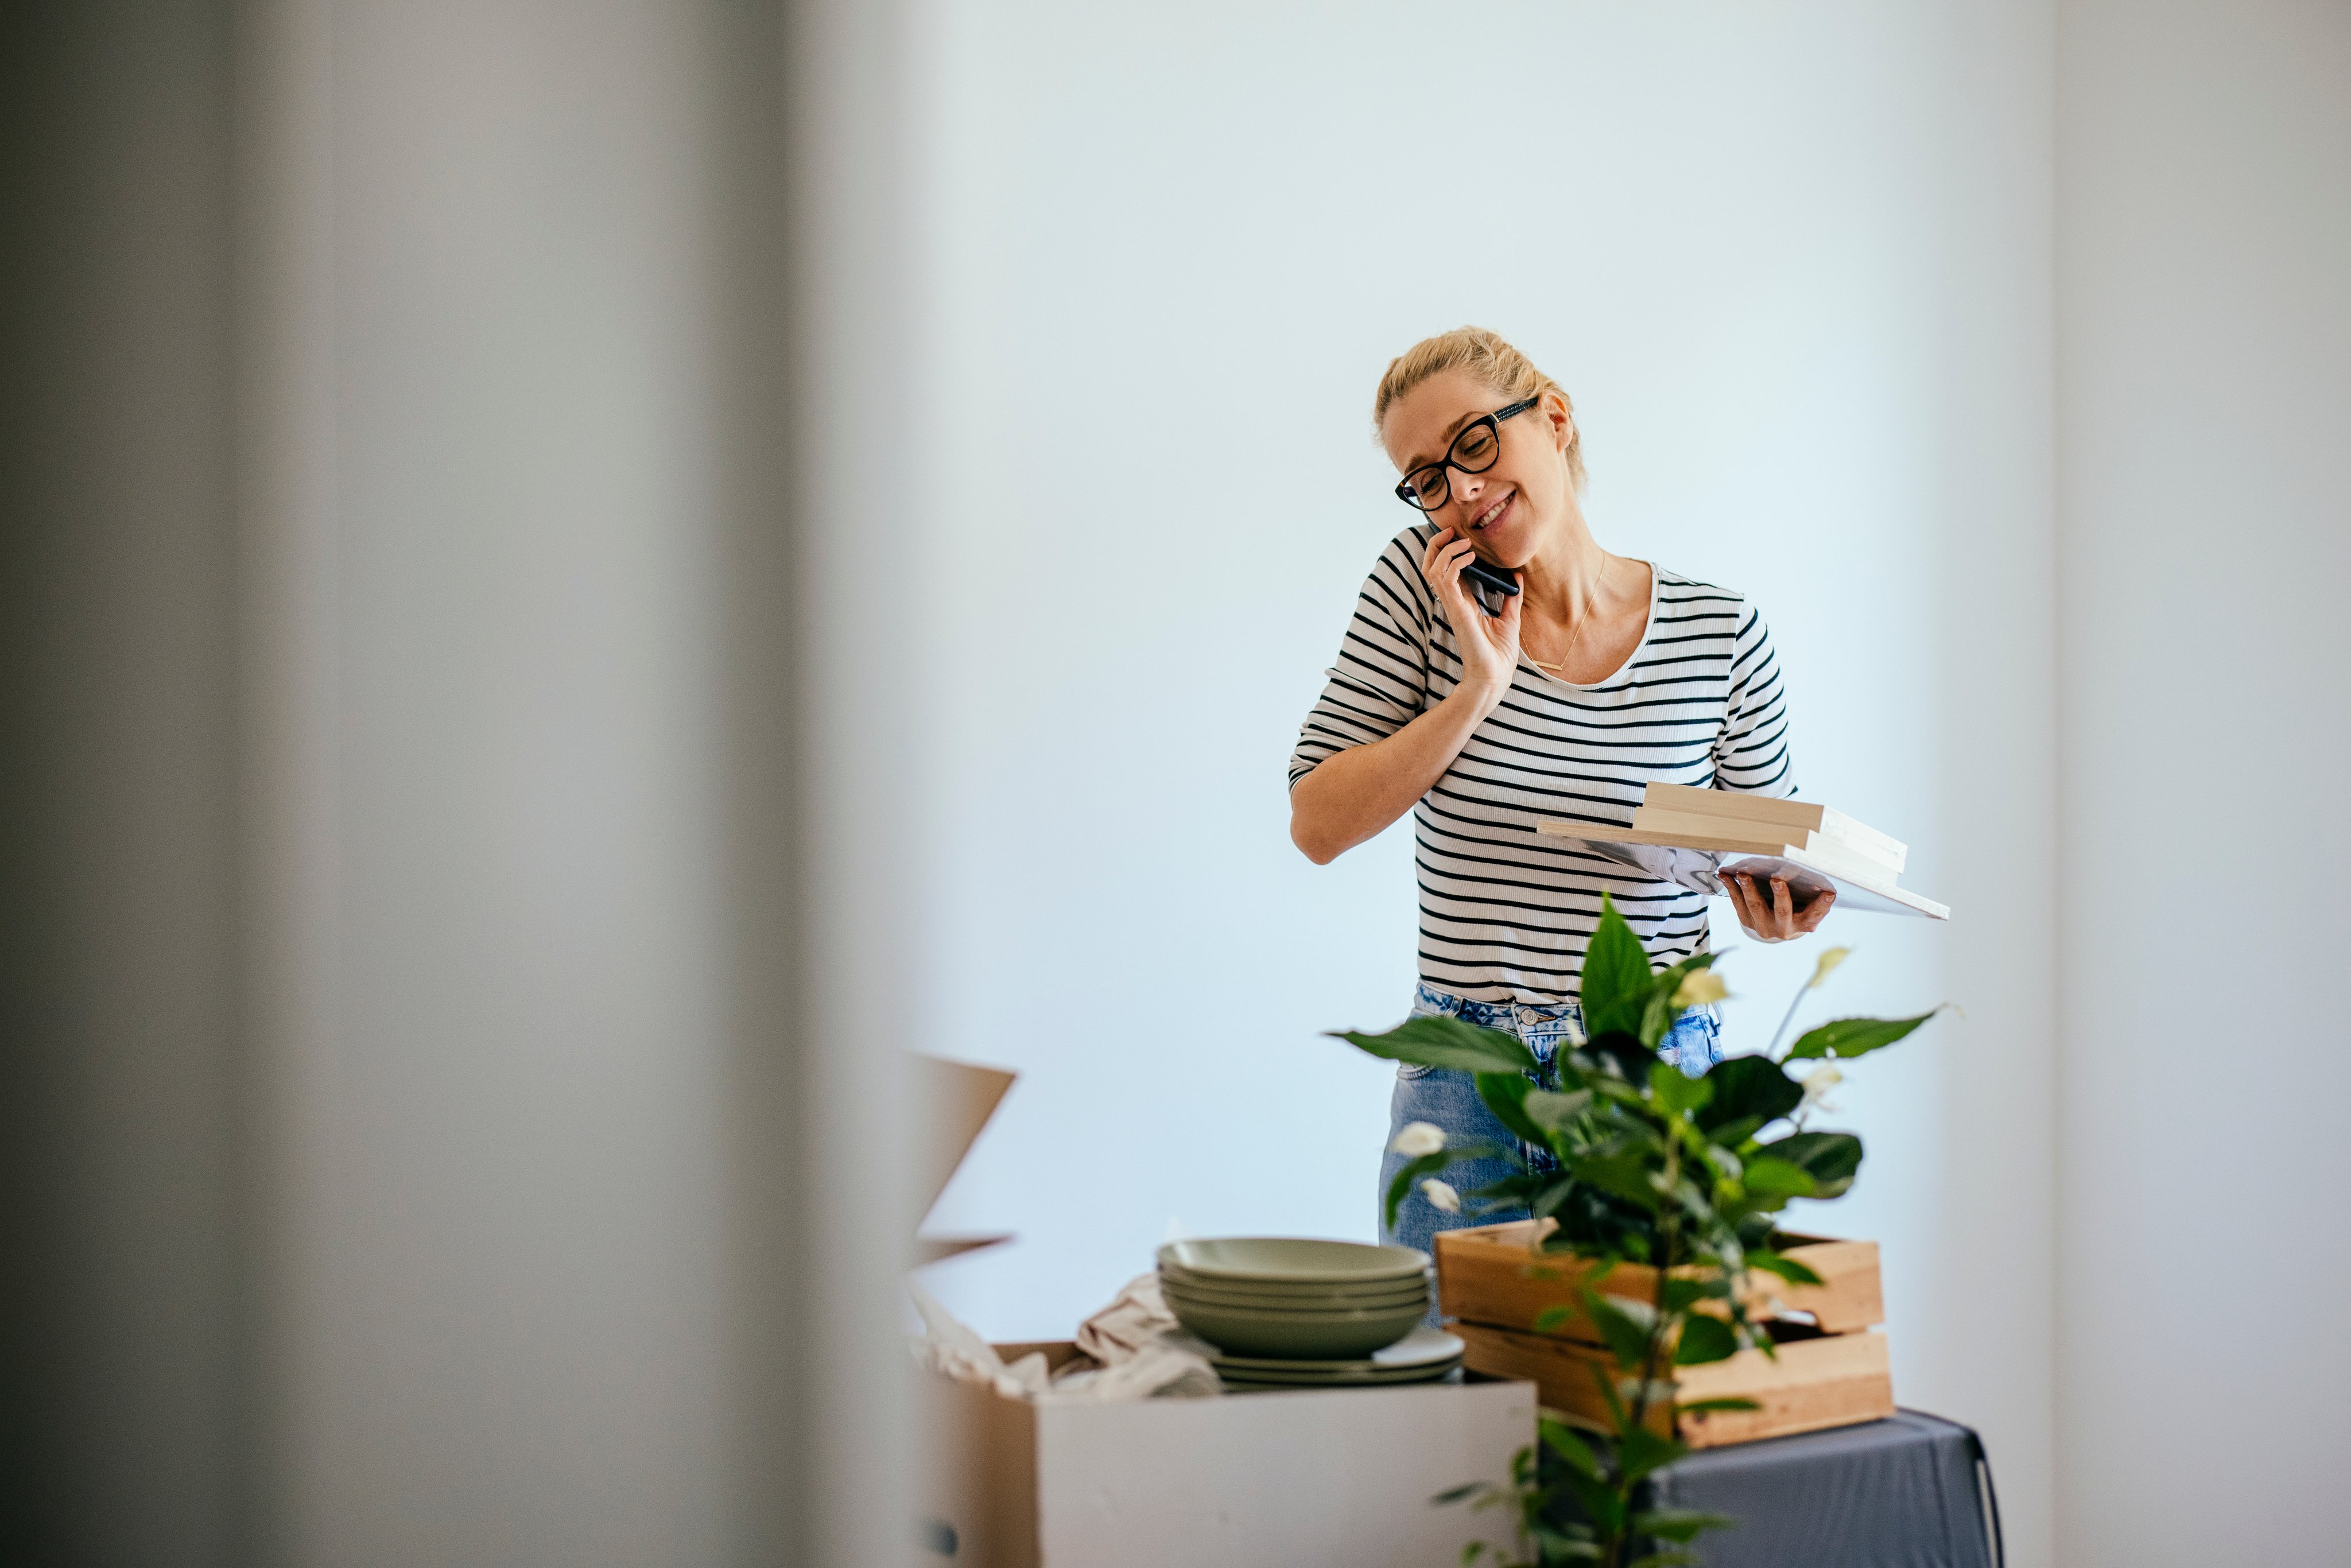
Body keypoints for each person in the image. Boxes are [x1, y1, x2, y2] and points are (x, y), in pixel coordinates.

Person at [1286, 326, 1834, 1260]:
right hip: (1466, 1081)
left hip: (1647, 1075)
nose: (1458, 491)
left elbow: (1760, 851)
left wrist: (1778, 910)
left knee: (1632, 1395)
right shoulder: (1421, 594)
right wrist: (1476, 690)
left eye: (1473, 443)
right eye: (1426, 478)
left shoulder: (1722, 632)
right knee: (1447, 1396)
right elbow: (1318, 824)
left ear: (1554, 418)